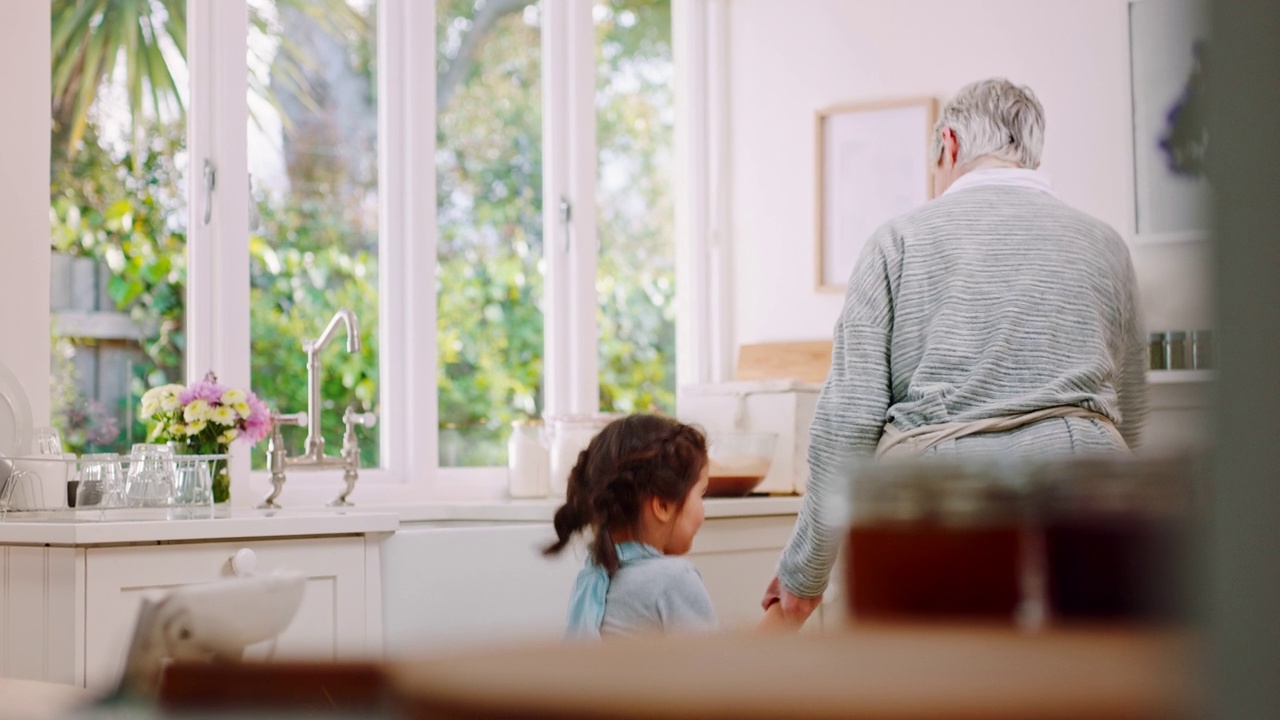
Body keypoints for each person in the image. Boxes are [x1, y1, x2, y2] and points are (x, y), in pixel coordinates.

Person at [763, 78, 1149, 624]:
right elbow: (1129, 413)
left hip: (937, 504)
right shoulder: (1105, 245)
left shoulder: (897, 241)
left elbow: (848, 421)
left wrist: (805, 575)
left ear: (947, 144)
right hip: (1088, 499)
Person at [545, 414, 718, 639]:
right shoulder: (674, 579)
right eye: (700, 494)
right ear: (662, 506)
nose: (703, 510)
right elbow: (715, 669)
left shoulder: (591, 580)